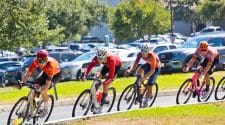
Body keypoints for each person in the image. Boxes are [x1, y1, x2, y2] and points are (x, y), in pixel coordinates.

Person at [21, 49, 61, 118]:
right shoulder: (35, 61)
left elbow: (48, 82)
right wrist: (22, 82)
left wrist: (43, 90)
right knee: (35, 86)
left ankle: (45, 109)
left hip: (55, 74)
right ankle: (33, 105)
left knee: (43, 90)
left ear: (46, 59)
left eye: (42, 61)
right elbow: (28, 74)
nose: (40, 63)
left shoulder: (50, 65)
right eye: (39, 61)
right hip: (46, 73)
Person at [81, 48, 121, 114]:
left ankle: (103, 102)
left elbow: (111, 75)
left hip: (115, 66)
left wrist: (106, 82)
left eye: (101, 59)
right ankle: (95, 100)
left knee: (105, 84)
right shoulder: (97, 58)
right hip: (106, 65)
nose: (99, 60)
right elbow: (89, 67)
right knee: (97, 78)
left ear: (105, 56)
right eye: (98, 58)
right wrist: (84, 75)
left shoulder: (111, 59)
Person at [125, 43, 161, 108]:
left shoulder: (152, 56)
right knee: (139, 71)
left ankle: (146, 100)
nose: (143, 54)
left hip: (156, 68)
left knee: (149, 84)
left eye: (145, 52)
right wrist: (130, 70)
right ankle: (140, 93)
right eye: (142, 52)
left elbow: (152, 71)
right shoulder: (139, 54)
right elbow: (135, 64)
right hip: (148, 64)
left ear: (148, 51)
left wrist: (144, 77)